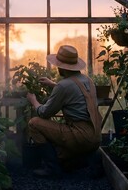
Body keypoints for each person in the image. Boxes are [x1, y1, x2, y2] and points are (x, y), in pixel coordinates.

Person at [26, 45, 102, 178]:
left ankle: (52, 169)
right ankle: (78, 160)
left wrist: (33, 101)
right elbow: (76, 93)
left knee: (34, 123)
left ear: (61, 66)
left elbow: (44, 113)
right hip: (95, 136)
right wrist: (53, 84)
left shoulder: (64, 86)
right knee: (62, 155)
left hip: (80, 136)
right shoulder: (88, 80)